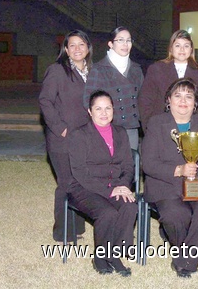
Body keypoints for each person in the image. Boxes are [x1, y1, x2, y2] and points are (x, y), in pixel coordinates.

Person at [141, 78, 198, 278]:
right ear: (168, 100)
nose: (183, 101)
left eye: (189, 96)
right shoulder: (156, 124)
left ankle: (184, 258)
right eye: (177, 95)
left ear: (196, 103)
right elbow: (148, 163)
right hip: (166, 187)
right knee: (176, 216)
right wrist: (179, 170)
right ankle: (187, 256)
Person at [68, 90, 137, 277]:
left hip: (115, 184)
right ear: (90, 111)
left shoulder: (120, 133)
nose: (104, 112)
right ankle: (100, 257)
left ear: (113, 110)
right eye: (98, 108)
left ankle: (114, 255)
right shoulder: (79, 135)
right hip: (84, 188)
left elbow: (128, 165)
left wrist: (123, 185)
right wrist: (111, 190)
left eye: (108, 108)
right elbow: (80, 173)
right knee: (107, 213)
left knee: (129, 207)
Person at [39, 29, 92, 242]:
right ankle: (62, 232)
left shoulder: (92, 72)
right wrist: (60, 127)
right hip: (63, 139)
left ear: (88, 48)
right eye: (72, 45)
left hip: (85, 138)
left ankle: (77, 226)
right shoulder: (57, 70)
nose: (77, 49)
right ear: (66, 50)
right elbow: (45, 101)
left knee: (80, 182)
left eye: (81, 44)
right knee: (66, 183)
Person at [138, 29, 198, 131]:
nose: (182, 50)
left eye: (186, 46)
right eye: (177, 45)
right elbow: (145, 100)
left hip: (196, 129)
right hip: (162, 129)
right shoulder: (156, 69)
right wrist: (150, 127)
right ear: (171, 48)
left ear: (191, 49)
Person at [84, 26, 144, 150]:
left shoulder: (136, 69)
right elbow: (88, 100)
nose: (125, 44)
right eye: (120, 40)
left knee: (130, 165)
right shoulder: (99, 69)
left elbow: (142, 98)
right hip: (107, 127)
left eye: (128, 40)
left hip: (130, 129)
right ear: (111, 44)